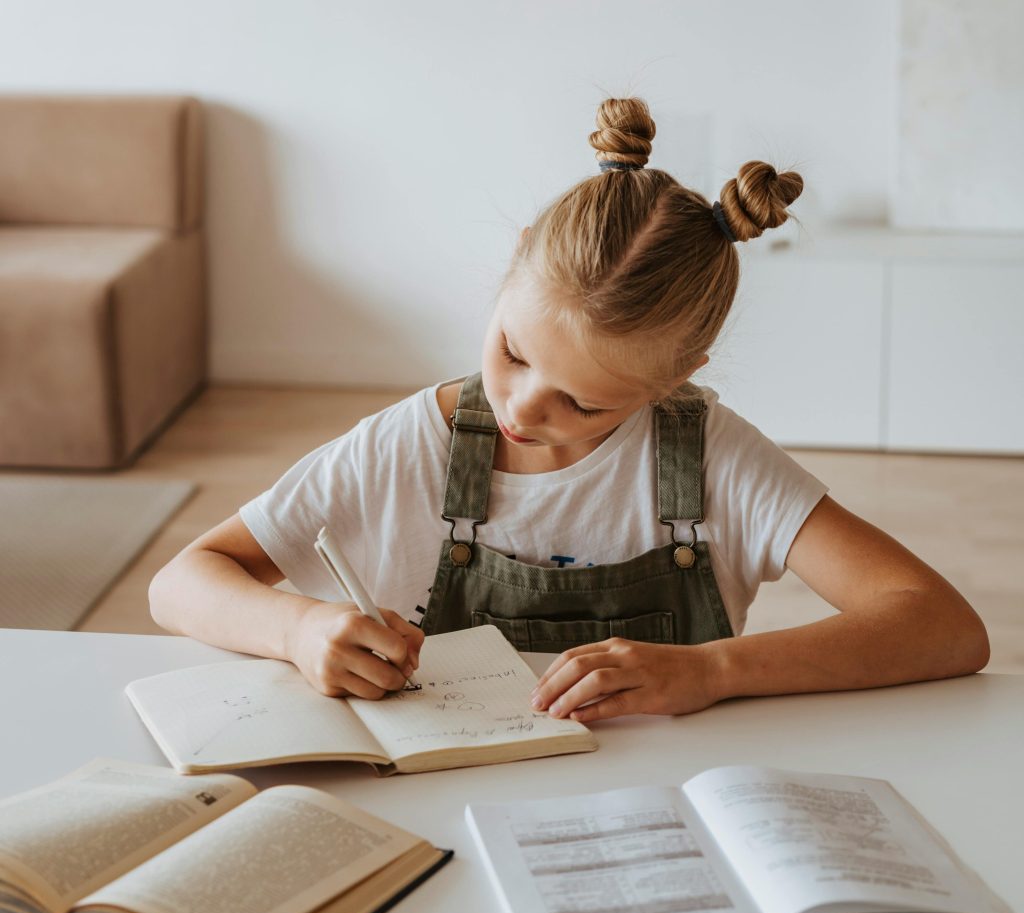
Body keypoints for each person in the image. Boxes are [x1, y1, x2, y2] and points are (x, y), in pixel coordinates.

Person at [149, 96, 989, 725]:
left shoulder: (714, 461)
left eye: (584, 401)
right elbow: (181, 583)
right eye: (512, 352)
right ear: (514, 265)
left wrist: (714, 672)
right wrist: (298, 630)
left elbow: (943, 627)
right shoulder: (410, 446)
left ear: (677, 376)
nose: (519, 404)